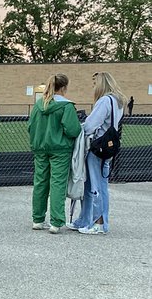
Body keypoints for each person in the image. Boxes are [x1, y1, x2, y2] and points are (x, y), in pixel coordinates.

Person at [71, 71, 125, 235]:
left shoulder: (104, 101)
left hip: (97, 147)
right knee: (99, 184)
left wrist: (81, 127)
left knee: (94, 185)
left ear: (101, 84)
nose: (93, 87)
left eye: (95, 83)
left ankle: (97, 222)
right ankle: (88, 220)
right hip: (107, 148)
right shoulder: (117, 102)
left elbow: (91, 125)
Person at [28, 74, 81, 233]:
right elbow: (73, 130)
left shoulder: (38, 105)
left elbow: (31, 126)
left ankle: (37, 219)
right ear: (64, 87)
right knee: (57, 184)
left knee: (40, 182)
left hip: (40, 148)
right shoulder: (66, 106)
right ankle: (56, 222)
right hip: (60, 149)